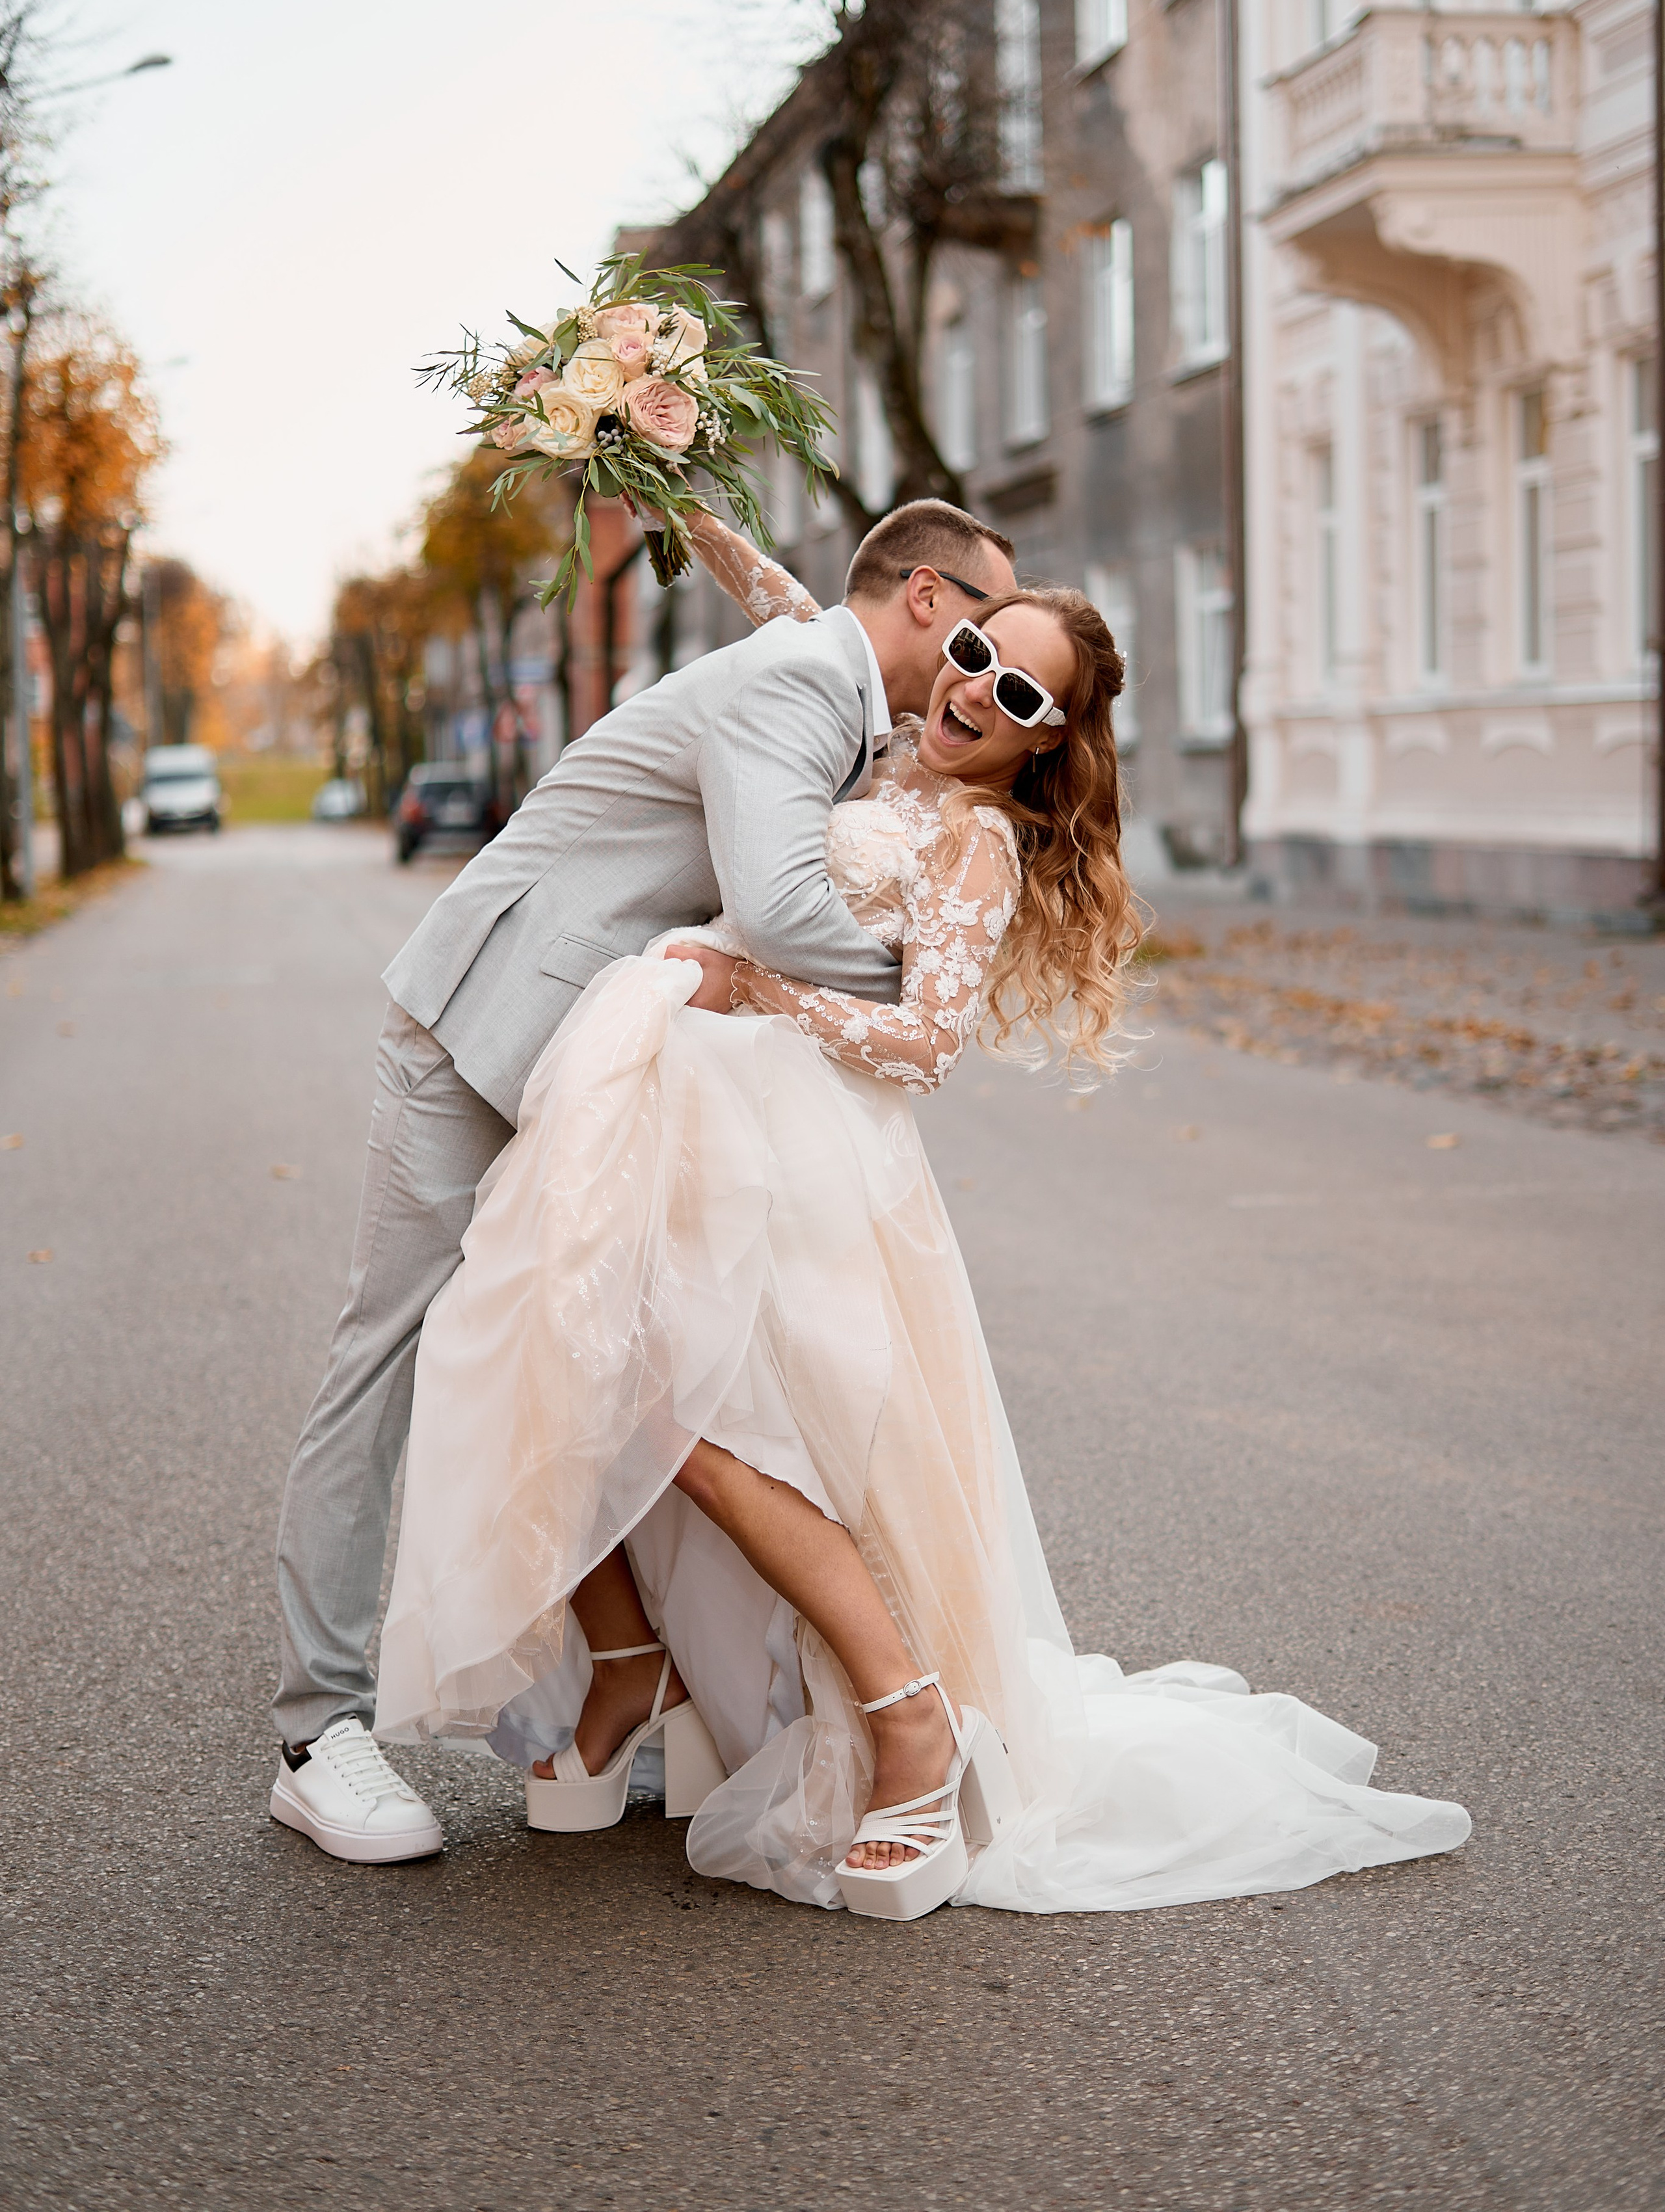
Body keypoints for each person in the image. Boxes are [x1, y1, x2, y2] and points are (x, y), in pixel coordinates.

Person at [371, 512, 1472, 1919]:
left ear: (1047, 743)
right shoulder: (875, 733)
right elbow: (794, 603)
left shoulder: (975, 846)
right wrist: (668, 472)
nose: (971, 692)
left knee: (717, 1432)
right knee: (582, 1363)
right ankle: (654, 1676)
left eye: (1016, 694)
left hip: (812, 1148)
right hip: (691, 1115)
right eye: (968, 654)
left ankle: (905, 1717)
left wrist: (757, 990)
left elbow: (927, 1042)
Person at [269, 500, 1018, 1864]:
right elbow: (785, 910)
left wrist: (670, 485)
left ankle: (639, 1674)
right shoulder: (803, 680)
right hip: (486, 1026)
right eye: (978, 633)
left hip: (601, 1066)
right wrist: (939, 982)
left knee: (636, 1360)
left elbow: (781, 591)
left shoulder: (830, 679)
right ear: (923, 597)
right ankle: (318, 1732)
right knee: (392, 1351)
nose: (980, 674)